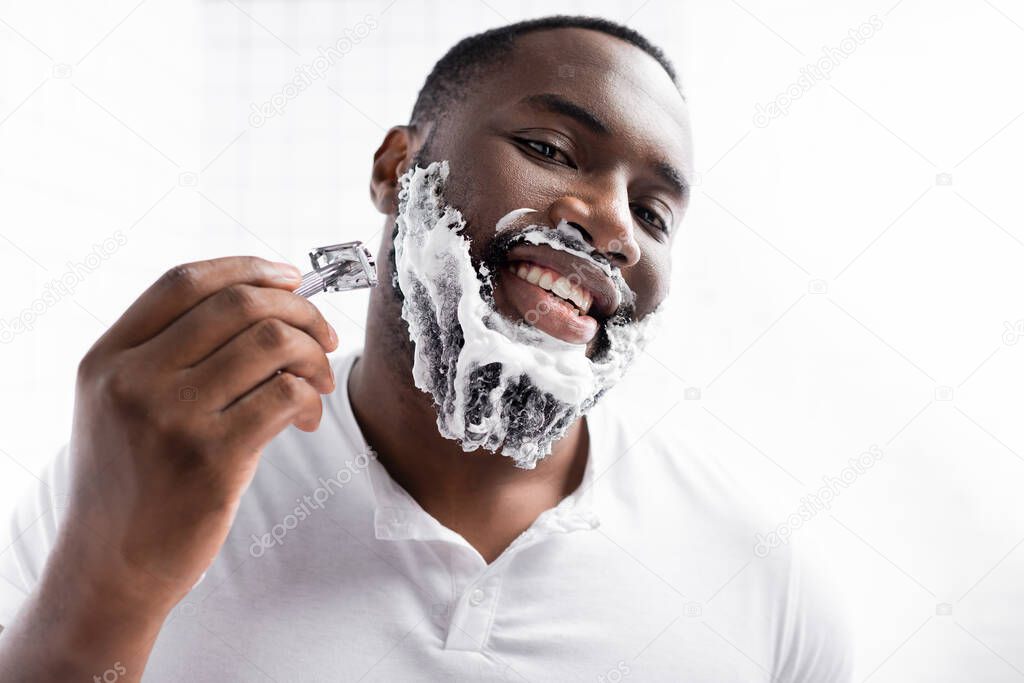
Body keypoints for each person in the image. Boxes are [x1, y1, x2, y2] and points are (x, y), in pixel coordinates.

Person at [0, 15, 851, 682]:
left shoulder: (760, 580)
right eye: (550, 150)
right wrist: (112, 587)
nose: (615, 226)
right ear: (400, 169)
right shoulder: (146, 468)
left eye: (655, 212)